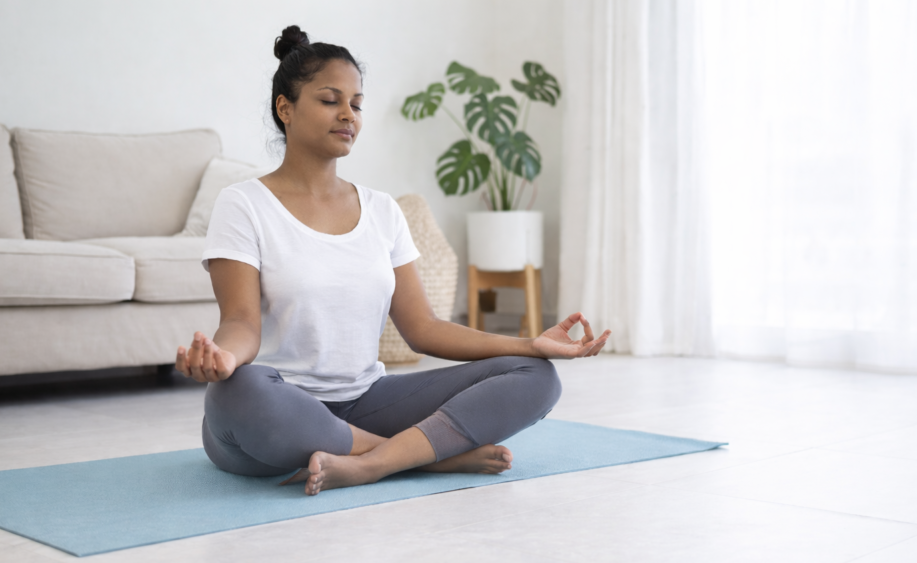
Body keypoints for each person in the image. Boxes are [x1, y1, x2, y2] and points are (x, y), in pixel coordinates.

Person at [175, 25, 611, 496]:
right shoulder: (244, 204)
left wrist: (531, 345)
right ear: (286, 108)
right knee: (238, 391)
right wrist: (223, 358)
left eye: (357, 104)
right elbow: (241, 323)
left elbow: (422, 328)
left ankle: (373, 462)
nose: (348, 115)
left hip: (367, 401)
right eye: (330, 100)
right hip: (277, 408)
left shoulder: (383, 209)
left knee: (536, 378)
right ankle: (422, 458)